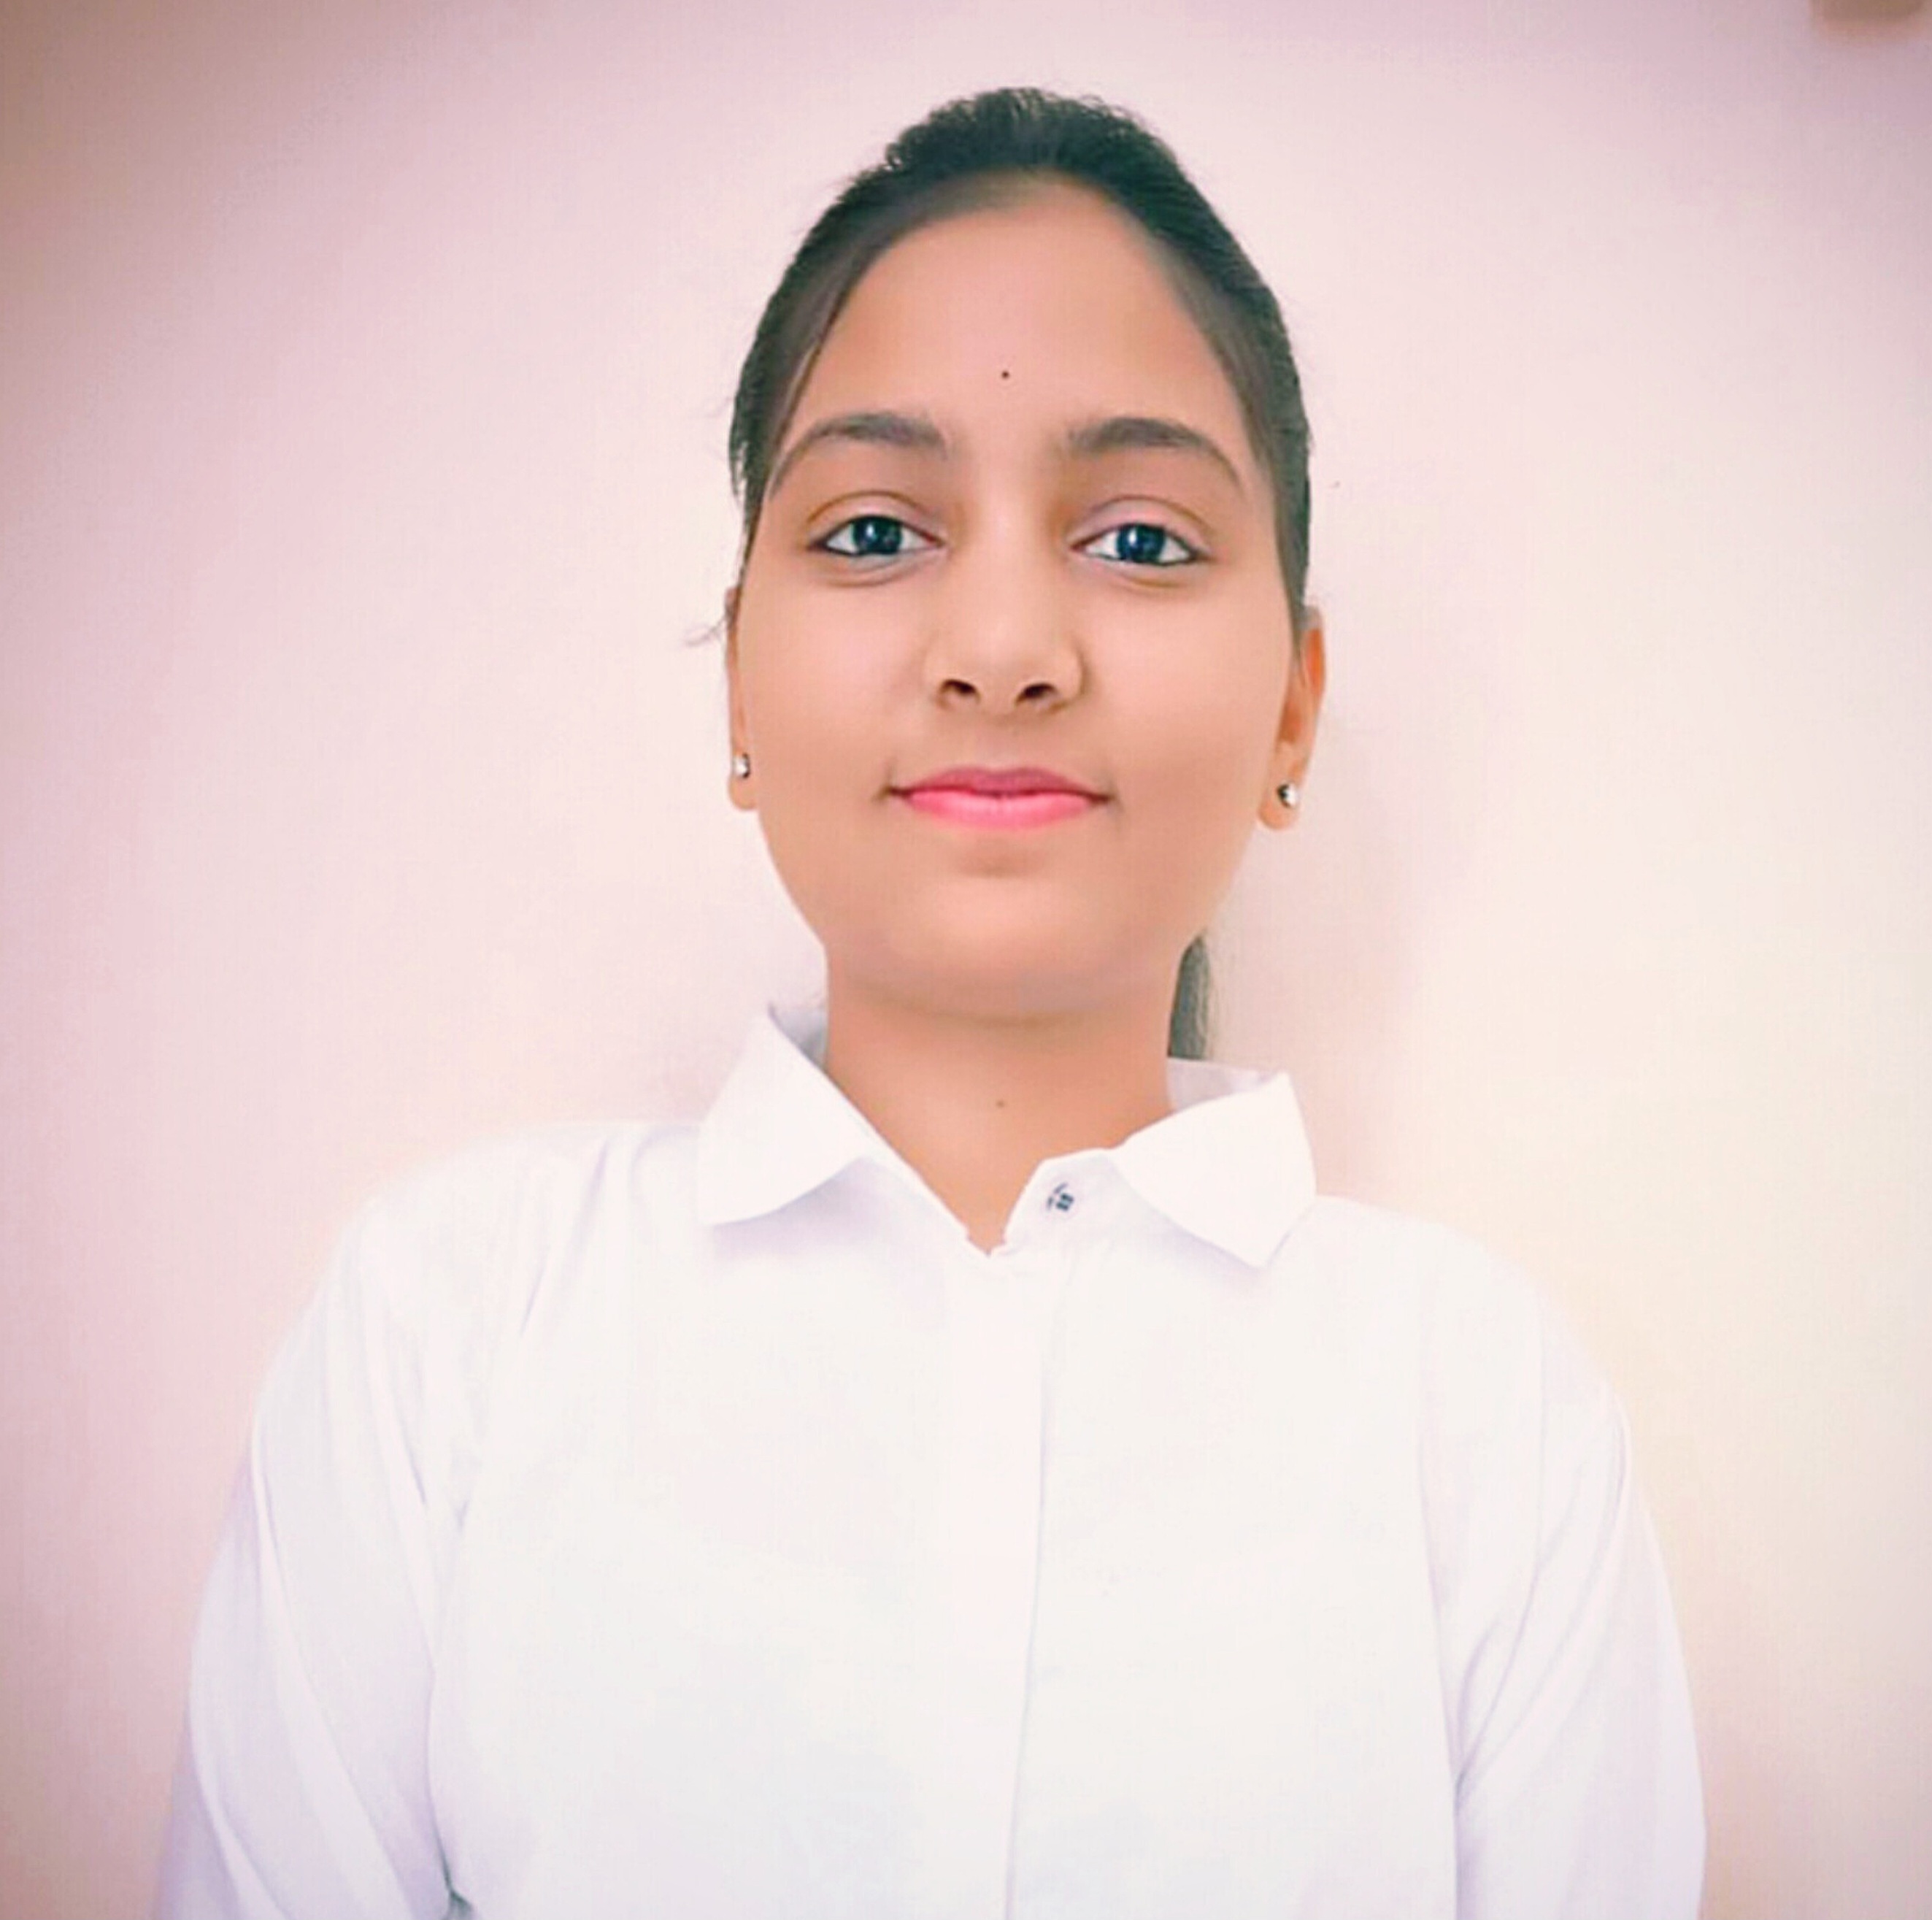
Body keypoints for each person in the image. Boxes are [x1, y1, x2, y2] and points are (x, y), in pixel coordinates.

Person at [158, 88, 1704, 1919]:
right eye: (878, 530)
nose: (1000, 652)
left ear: (1293, 704)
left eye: (1139, 541)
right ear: (739, 682)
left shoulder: (1488, 1419)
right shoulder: (443, 1337)